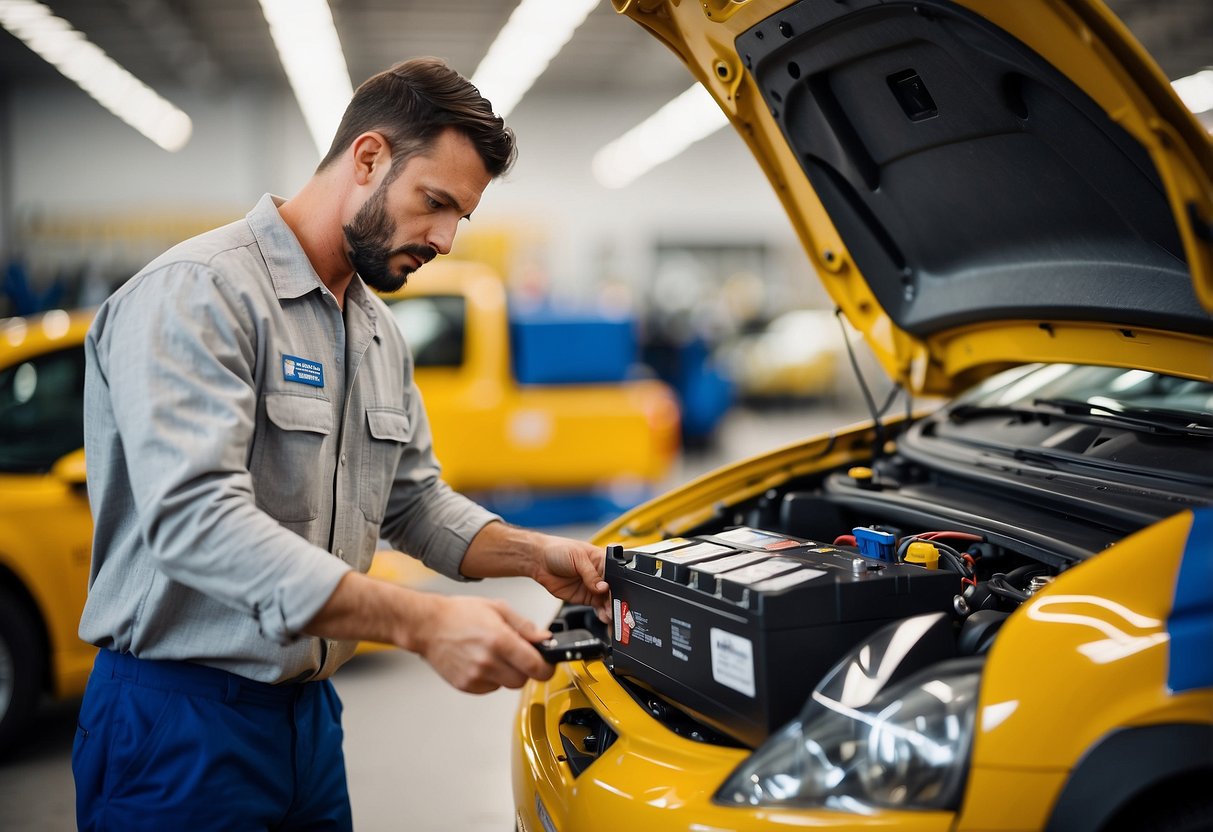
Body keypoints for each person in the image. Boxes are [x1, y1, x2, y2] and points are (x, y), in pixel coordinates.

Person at [72, 57, 609, 831]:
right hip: (176, 724)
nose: (447, 239)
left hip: (308, 721)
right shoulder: (199, 293)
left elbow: (412, 501)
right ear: (368, 158)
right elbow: (196, 520)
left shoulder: (376, 332)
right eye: (435, 203)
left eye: (461, 217)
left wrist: (534, 554)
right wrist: (422, 623)